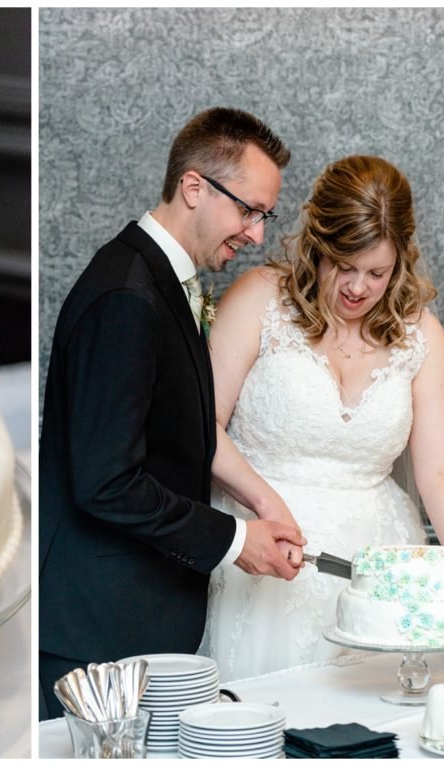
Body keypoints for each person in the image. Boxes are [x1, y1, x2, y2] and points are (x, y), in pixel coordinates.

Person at [38, 107, 307, 720]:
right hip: (98, 631)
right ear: (193, 188)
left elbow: (180, 429)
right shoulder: (127, 298)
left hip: (135, 615)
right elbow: (107, 482)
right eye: (249, 211)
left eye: (265, 216)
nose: (257, 235)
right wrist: (236, 539)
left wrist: (266, 507)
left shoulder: (159, 279)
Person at [200, 155, 444, 681]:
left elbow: (438, 472)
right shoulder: (258, 301)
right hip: (264, 550)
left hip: (376, 568)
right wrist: (264, 506)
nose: (358, 288)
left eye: (377, 273)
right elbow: (203, 427)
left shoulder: (422, 337)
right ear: (318, 245)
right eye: (344, 265)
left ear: (401, 263)